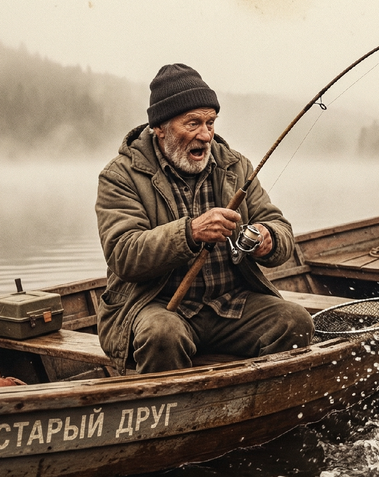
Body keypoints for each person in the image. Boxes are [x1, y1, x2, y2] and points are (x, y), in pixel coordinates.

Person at [95, 63, 314, 374]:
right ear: (161, 128)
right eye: (193, 123)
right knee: (162, 335)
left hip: (231, 305)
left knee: (296, 323)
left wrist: (269, 238)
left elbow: (281, 231)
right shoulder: (120, 176)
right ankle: (174, 417)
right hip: (156, 306)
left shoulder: (235, 166)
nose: (206, 135)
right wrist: (190, 232)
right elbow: (123, 254)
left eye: (210, 122)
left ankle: (260, 405)